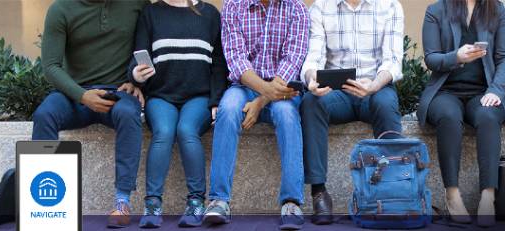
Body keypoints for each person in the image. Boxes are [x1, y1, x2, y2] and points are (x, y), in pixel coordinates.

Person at [32, 0, 149, 228]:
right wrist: (82, 96)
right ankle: (44, 206)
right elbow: (51, 66)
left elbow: (148, 43)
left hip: (117, 92)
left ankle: (122, 201)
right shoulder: (60, 9)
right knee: (44, 114)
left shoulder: (136, 3)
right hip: (74, 95)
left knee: (128, 113)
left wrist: (137, 82)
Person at [203, 0, 309, 230]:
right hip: (243, 86)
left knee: (287, 116)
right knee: (228, 110)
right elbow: (236, 59)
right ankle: (219, 200)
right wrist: (263, 91)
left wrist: (261, 101)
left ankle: (291, 202)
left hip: (283, 90)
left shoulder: (296, 7)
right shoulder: (233, 5)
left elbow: (293, 60)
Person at [300, 0, 404, 225]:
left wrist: (374, 85)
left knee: (386, 104)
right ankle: (319, 192)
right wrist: (311, 79)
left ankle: (396, 192)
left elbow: (393, 61)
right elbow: (313, 57)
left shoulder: (390, 6)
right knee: (311, 102)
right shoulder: (320, 7)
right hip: (337, 94)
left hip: (376, 89)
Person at [127, 0, 227, 228]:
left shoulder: (209, 13)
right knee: (163, 131)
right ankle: (152, 204)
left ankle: (196, 202)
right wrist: (137, 74)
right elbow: (137, 56)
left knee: (186, 130)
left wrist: (216, 99)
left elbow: (219, 63)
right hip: (161, 95)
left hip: (199, 97)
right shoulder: (151, 13)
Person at [418, 0, 505, 227]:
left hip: (483, 90)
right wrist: (456, 57)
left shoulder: (496, 9)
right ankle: (452, 194)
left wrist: (496, 90)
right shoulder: (436, 10)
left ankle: (488, 196)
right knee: (449, 117)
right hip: (445, 91)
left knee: (488, 116)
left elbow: (504, 56)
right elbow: (431, 57)